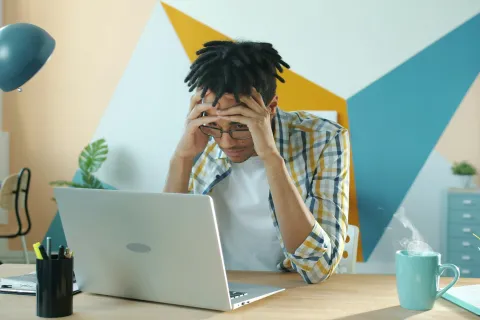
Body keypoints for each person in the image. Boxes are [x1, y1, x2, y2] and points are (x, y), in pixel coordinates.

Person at [164, 40, 350, 284]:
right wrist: (183, 157)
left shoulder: (324, 139)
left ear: (271, 107)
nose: (227, 142)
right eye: (215, 126)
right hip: (213, 285)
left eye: (240, 126)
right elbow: (165, 251)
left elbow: (318, 269)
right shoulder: (200, 136)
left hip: (290, 290)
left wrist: (271, 157)